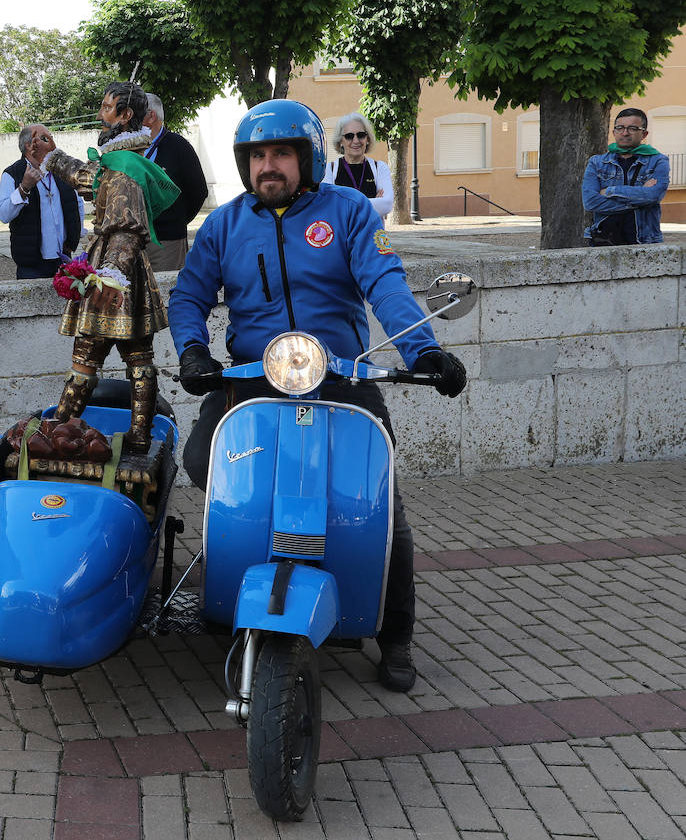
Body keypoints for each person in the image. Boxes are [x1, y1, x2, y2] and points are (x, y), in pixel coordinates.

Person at [169, 99, 468, 694]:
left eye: (281, 153)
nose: (268, 166)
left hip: (341, 377)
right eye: (257, 156)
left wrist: (423, 350)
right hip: (252, 378)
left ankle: (396, 634)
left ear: (306, 157)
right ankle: (244, 575)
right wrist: (193, 351)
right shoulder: (224, 225)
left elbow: (385, 281)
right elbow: (189, 295)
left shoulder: (349, 210)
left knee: (381, 505)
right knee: (202, 460)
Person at [40, 81, 180, 454]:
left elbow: (126, 230)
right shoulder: (122, 161)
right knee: (137, 358)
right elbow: (89, 179)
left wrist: (109, 278)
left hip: (112, 276)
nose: (101, 114)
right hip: (120, 273)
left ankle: (57, 434)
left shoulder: (125, 169)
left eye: (106, 108)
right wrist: (55, 157)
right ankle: (135, 437)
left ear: (125, 116)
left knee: (91, 356)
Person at [0, 123, 85, 279]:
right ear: (29, 145)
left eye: (51, 136)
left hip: (62, 259)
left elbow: (77, 203)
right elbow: (3, 215)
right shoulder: (12, 173)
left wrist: (75, 236)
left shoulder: (61, 170)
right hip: (31, 264)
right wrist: (24, 188)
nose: (51, 141)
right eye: (45, 138)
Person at [582, 108, 670, 246]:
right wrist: (640, 201)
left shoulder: (658, 161)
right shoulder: (597, 162)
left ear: (644, 134)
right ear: (613, 132)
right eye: (620, 128)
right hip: (604, 240)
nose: (625, 133)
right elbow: (590, 202)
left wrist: (610, 191)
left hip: (644, 241)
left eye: (633, 128)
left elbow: (654, 195)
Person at [141, 94, 209, 271]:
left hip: (167, 242)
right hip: (135, 240)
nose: (129, 117)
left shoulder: (178, 146)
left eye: (136, 111)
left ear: (151, 116)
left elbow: (199, 191)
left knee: (166, 292)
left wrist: (176, 220)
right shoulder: (131, 147)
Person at [323, 112, 394, 220]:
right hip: (343, 236)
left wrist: (343, 205)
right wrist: (373, 203)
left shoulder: (379, 168)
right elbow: (328, 206)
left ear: (367, 139)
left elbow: (387, 204)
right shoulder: (329, 170)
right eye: (349, 136)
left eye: (361, 135)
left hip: (372, 235)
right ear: (341, 141)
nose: (356, 141)